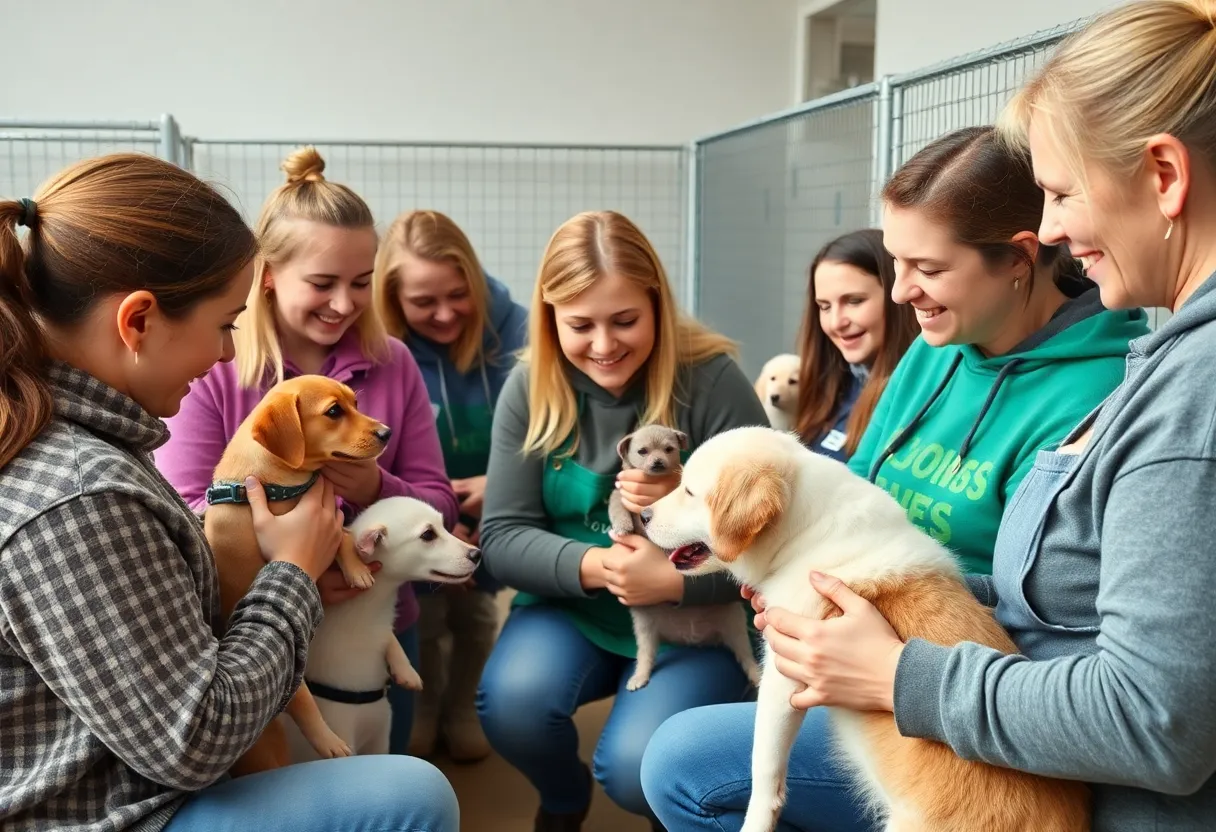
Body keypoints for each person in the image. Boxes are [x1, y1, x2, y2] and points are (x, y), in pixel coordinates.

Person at [639, 125, 1149, 829]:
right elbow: (855, 488)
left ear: (1019, 260)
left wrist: (884, 656)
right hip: (862, 660)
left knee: (684, 760)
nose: (903, 291)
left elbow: (1055, 614)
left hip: (971, 706)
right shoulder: (932, 352)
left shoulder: (1101, 393)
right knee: (677, 756)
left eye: (929, 269)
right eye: (896, 263)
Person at [0, 154, 458, 832]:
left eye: (362, 282)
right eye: (222, 325)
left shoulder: (92, 451)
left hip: (155, 755)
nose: (223, 352)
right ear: (138, 322)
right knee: (412, 796)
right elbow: (193, 738)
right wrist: (297, 571)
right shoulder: (82, 494)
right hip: (123, 805)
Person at [155, 147, 458, 757]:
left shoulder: (393, 363)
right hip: (251, 639)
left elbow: (438, 506)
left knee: (377, 787)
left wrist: (372, 487)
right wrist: (304, 572)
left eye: (362, 283)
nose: (344, 304)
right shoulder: (219, 371)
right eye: (321, 283)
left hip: (374, 630)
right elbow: (190, 512)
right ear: (267, 274)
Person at [476, 210, 769, 831]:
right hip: (571, 606)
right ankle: (562, 799)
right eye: (581, 325)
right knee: (512, 708)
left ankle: (673, 808)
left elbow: (769, 540)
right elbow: (500, 537)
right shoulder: (530, 386)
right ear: (550, 317)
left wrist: (673, 582)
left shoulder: (713, 381)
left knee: (638, 766)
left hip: (698, 617)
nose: (604, 346)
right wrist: (597, 564)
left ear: (657, 306)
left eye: (626, 321)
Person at [372, 208, 528, 762]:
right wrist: (442, 520)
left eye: (458, 294)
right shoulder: (383, 349)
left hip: (499, 497)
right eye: (423, 302)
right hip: (420, 506)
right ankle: (428, 705)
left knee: (478, 612)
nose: (444, 314)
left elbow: (546, 426)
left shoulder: (518, 330)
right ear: (393, 300)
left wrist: (499, 489)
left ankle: (465, 707)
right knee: (427, 614)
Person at [795, 228, 918, 460]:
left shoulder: (916, 398)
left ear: (898, 297)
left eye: (854, 301)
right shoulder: (835, 384)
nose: (836, 323)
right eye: (824, 306)